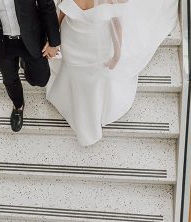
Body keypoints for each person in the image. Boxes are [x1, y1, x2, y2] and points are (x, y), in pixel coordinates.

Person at [46, 0, 178, 146]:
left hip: (97, 48)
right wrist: (53, 41)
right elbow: (62, 13)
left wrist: (117, 55)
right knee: (73, 74)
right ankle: (74, 105)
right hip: (71, 43)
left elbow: (116, 25)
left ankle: (90, 118)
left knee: (93, 82)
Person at [0, 0, 61, 132]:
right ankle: (18, 106)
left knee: (41, 80)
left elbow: (47, 5)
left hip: (31, 37)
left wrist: (53, 41)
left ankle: (25, 64)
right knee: (10, 78)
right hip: (1, 42)